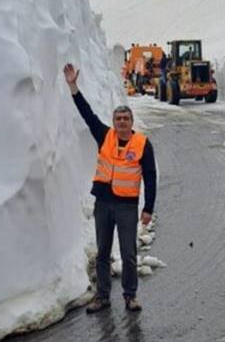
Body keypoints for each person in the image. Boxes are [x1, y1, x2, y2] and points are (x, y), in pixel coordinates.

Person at [63, 63, 157, 314]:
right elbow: (87, 114)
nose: (122, 122)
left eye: (126, 118)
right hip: (103, 204)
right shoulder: (105, 135)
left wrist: (148, 208)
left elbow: (150, 176)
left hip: (127, 206)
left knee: (128, 254)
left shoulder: (142, 144)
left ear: (131, 121)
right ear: (114, 122)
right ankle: (102, 296)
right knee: (102, 253)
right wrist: (73, 86)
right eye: (118, 119)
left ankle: (130, 296)